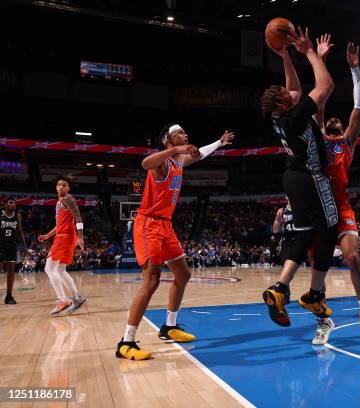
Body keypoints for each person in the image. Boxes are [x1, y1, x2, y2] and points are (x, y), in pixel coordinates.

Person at [116, 124, 234, 360]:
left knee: (183, 274)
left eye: (185, 132)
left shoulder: (178, 161)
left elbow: (199, 153)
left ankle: (169, 326)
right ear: (167, 139)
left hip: (165, 224)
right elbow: (144, 164)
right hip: (148, 224)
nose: (185, 134)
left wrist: (219, 142)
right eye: (180, 132)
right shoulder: (162, 161)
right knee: (151, 281)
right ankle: (126, 341)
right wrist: (175, 149)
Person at [260, 27, 338, 328]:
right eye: (285, 94)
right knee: (329, 230)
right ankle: (315, 294)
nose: (289, 90)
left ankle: (279, 288)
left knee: (305, 233)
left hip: (292, 177)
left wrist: (285, 57)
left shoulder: (278, 115)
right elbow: (326, 85)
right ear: (284, 103)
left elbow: (292, 85)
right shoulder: (294, 114)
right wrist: (308, 53)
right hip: (310, 177)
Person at [311, 35, 360, 345]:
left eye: (339, 122)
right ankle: (324, 321)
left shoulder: (346, 144)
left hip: (341, 207)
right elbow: (319, 102)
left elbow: (359, 108)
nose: (336, 121)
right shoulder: (319, 140)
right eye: (331, 122)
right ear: (327, 128)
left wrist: (355, 70)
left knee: (353, 257)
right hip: (319, 209)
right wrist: (321, 62)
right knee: (319, 269)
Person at [38, 175, 87, 314]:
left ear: (68, 188)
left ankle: (62, 300)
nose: (61, 186)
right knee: (60, 270)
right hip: (64, 236)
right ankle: (77, 298)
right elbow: (59, 224)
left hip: (65, 237)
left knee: (49, 268)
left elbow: (78, 216)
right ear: (55, 187)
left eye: (64, 185)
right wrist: (47, 235)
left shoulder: (68, 199)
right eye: (59, 184)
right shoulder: (59, 202)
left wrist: (81, 237)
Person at [1, 198, 27, 304]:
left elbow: (20, 230)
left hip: (12, 245)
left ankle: (9, 296)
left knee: (11, 271)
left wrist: (25, 246)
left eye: (15, 203)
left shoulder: (17, 215)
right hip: (1, 243)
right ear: (5, 204)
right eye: (11, 203)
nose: (14, 205)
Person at [272, 198, 296, 265]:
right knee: (286, 265)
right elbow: (275, 230)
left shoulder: (300, 208)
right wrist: (278, 221)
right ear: (286, 197)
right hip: (287, 241)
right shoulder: (282, 210)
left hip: (299, 240)